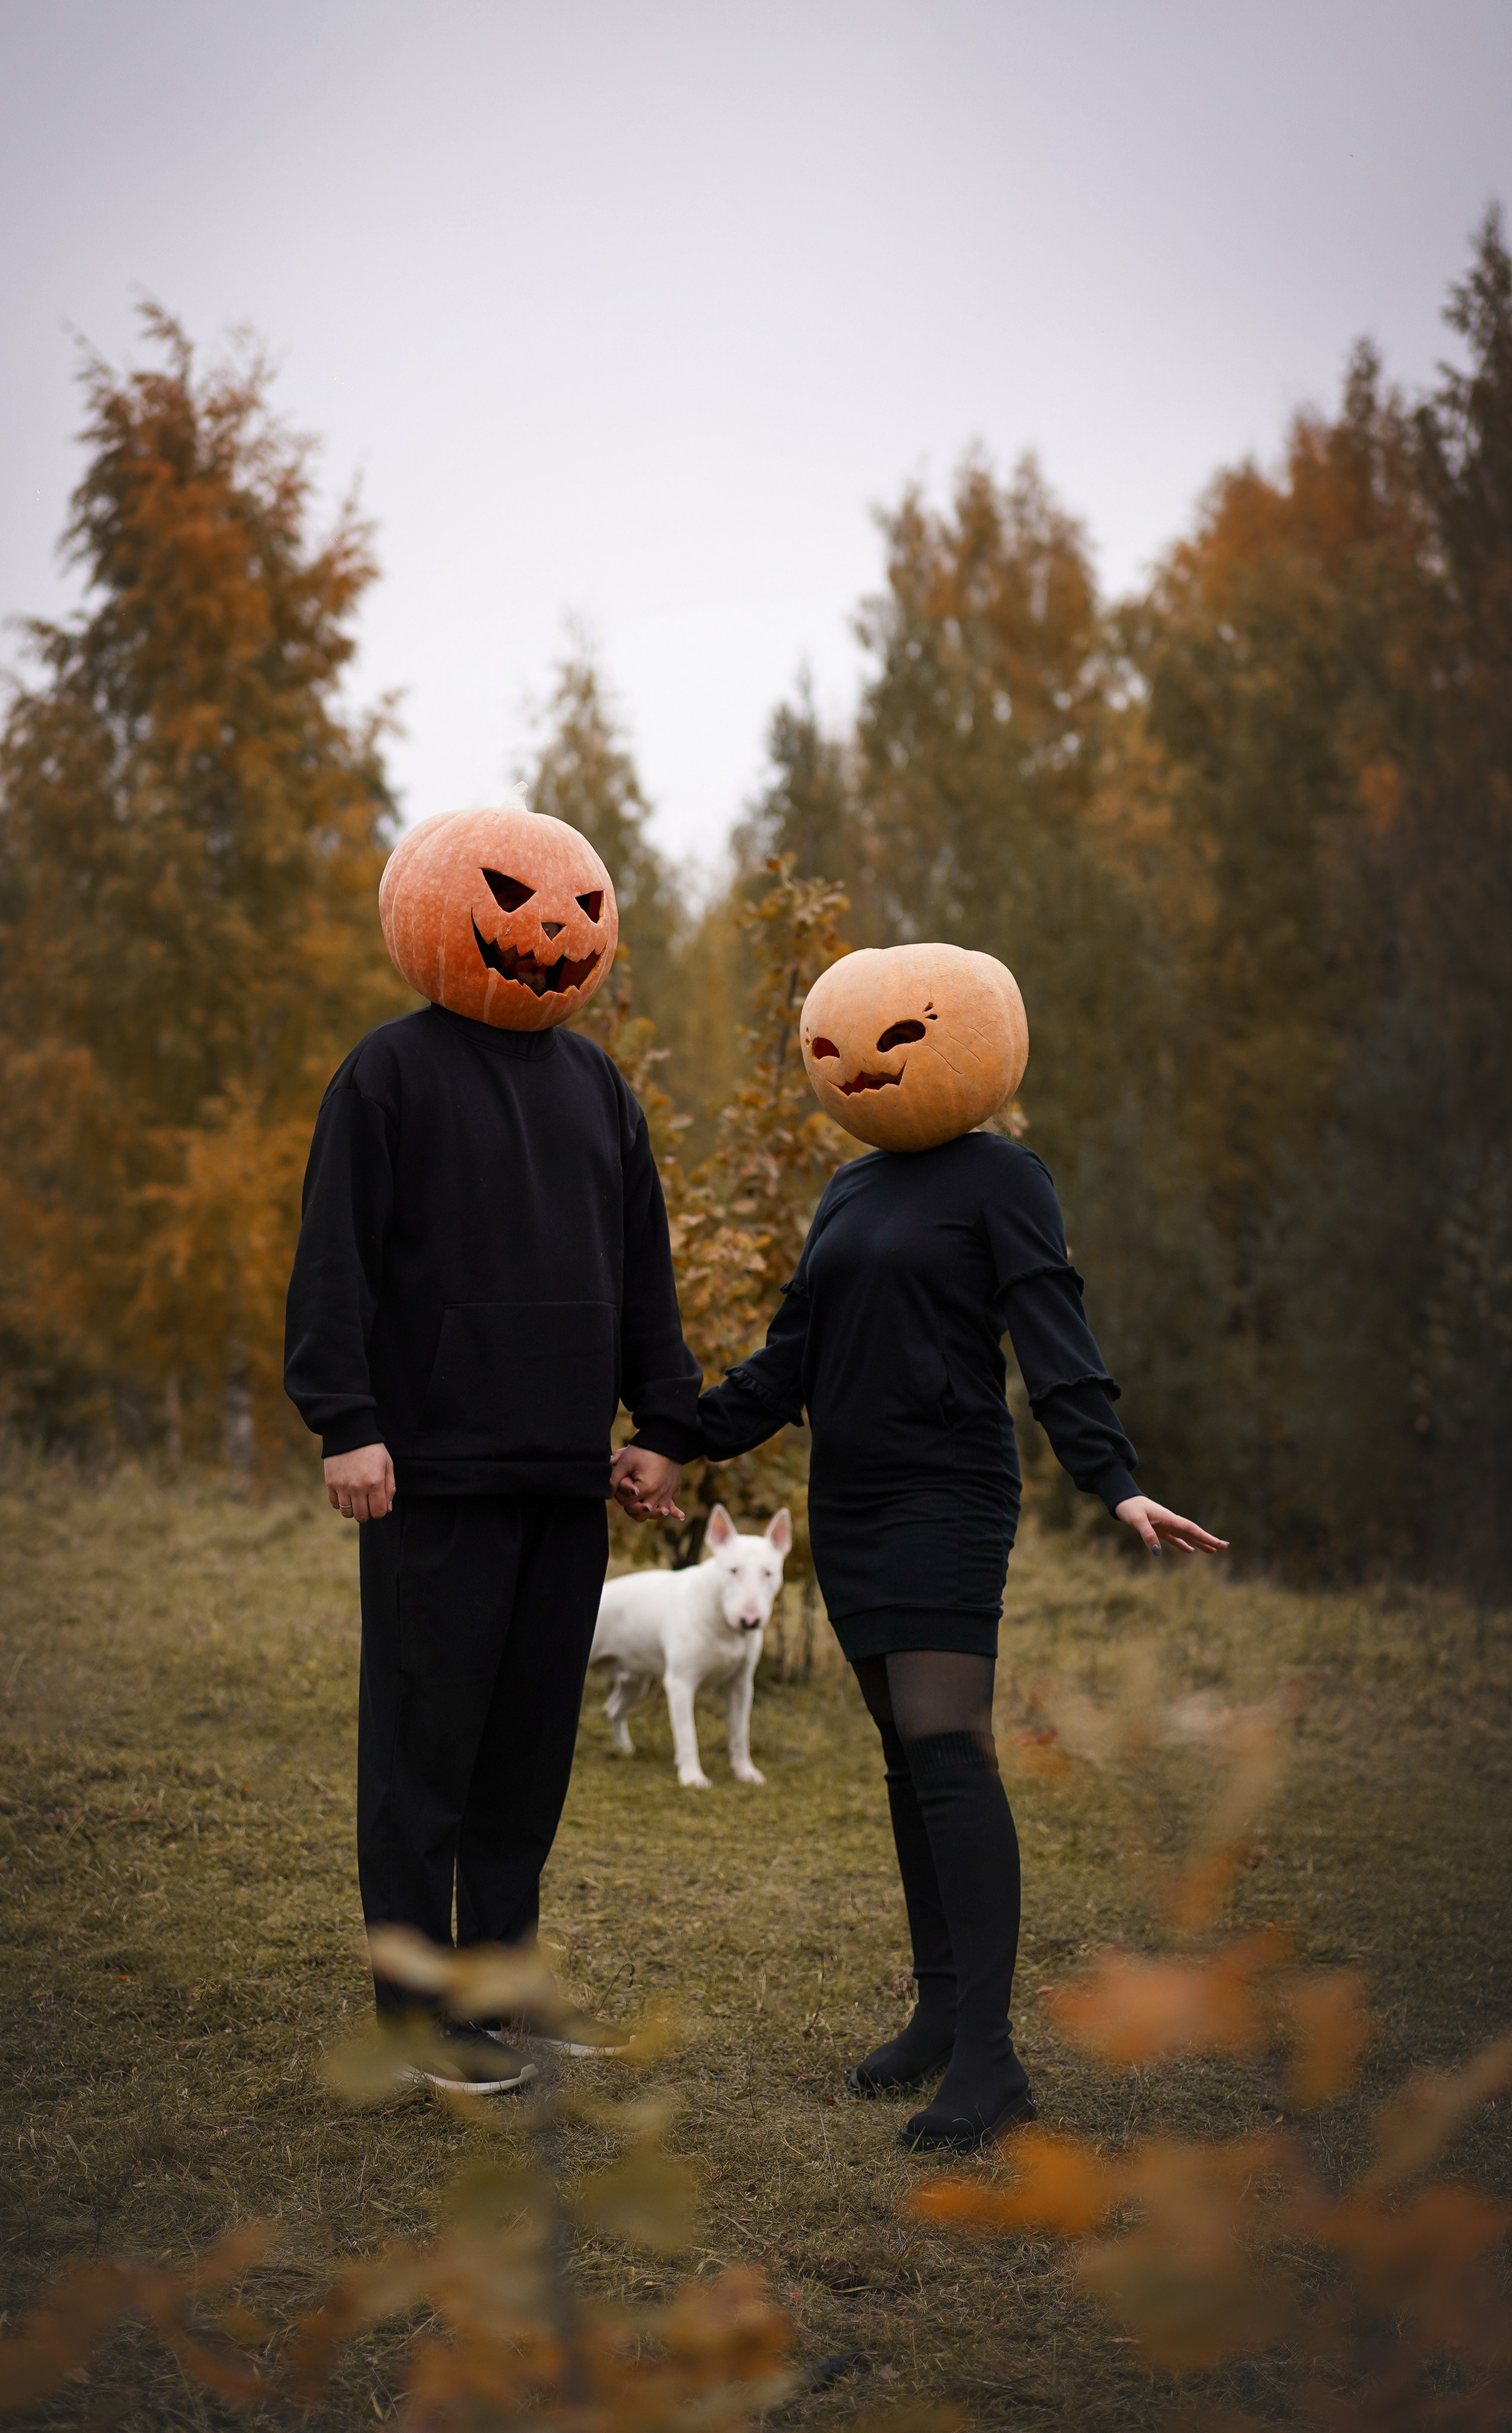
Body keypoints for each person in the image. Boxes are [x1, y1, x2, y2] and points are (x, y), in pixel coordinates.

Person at [612, 941, 1225, 2153]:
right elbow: (791, 1360)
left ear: (959, 1046)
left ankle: (992, 2063)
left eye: (899, 1039)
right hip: (852, 1502)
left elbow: (1052, 1329)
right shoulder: (849, 1191)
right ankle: (939, 2015)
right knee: (904, 1759)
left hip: (947, 1496)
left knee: (949, 1754)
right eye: (843, 1046)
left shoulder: (1004, 1178)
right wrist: (670, 1439)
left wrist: (1111, 1479)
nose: (867, 1065)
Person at [286, 794, 694, 2094]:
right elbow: (333, 1264)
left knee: (523, 1758)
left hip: (565, 1482)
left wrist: (660, 1430)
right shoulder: (387, 1074)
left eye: (579, 903)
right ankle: (416, 2020)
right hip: (434, 1478)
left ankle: (501, 1992)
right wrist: (346, 1421)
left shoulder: (596, 1085)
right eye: (522, 899)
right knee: (423, 1760)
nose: (556, 926)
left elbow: (643, 1275)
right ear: (450, 910)